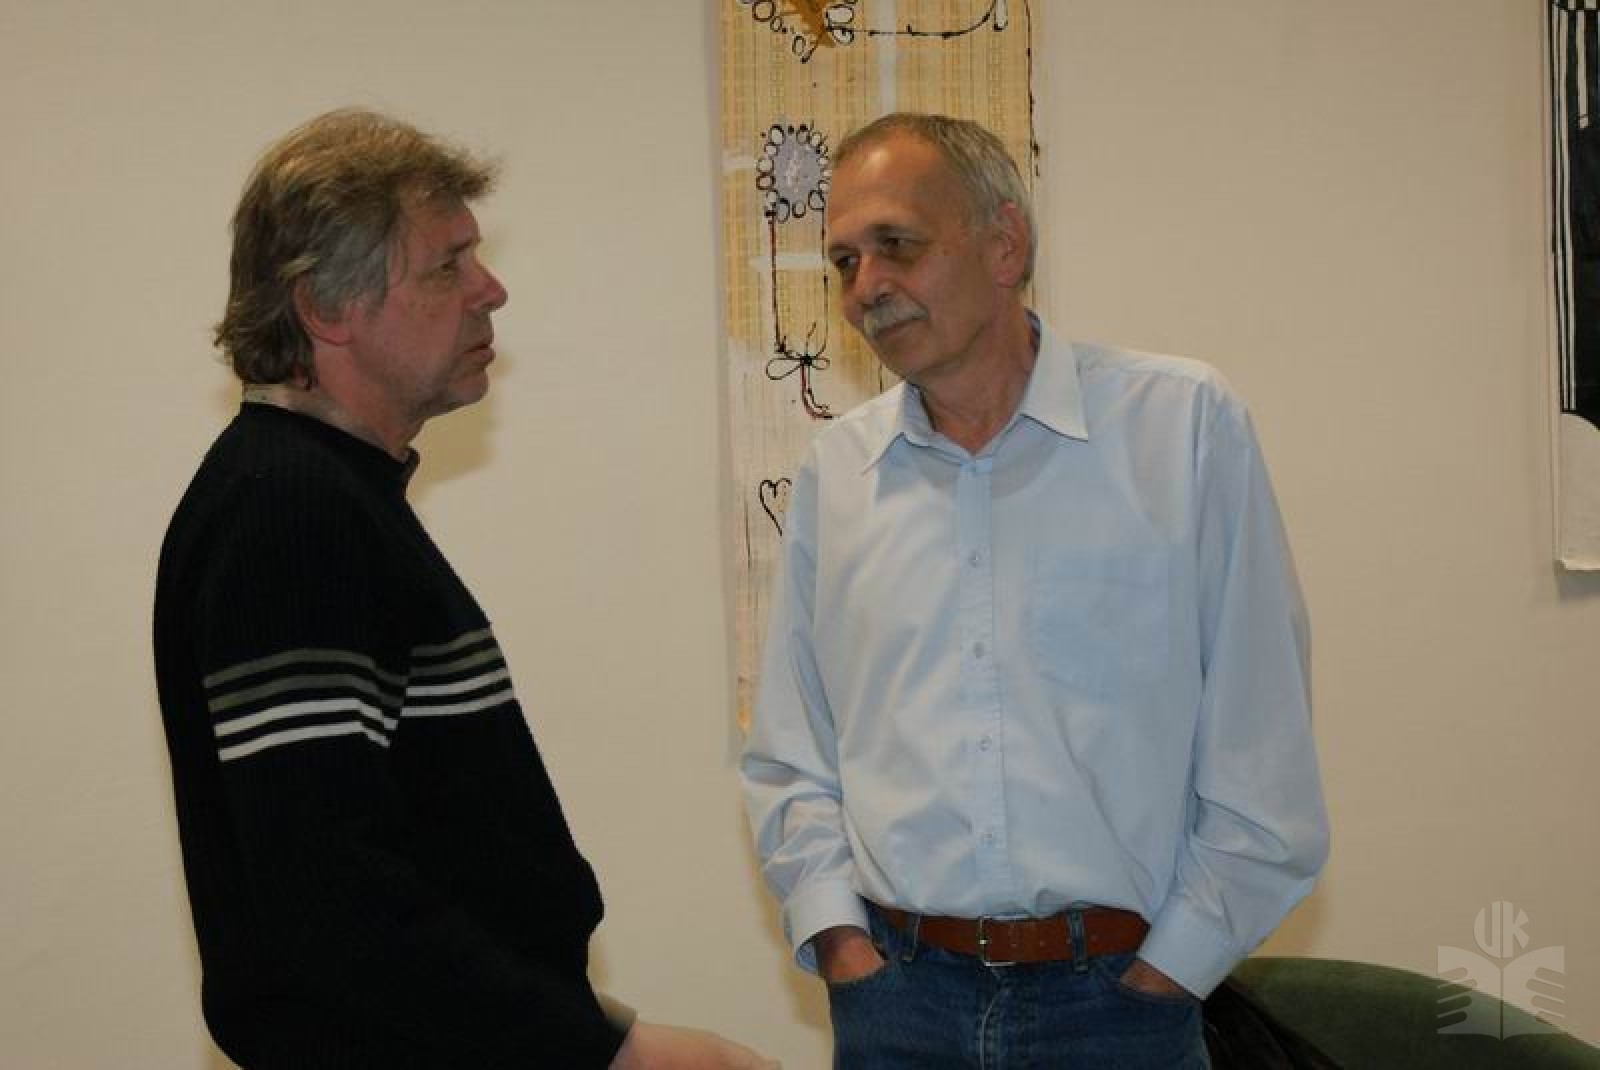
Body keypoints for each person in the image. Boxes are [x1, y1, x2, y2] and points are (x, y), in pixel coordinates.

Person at [154, 109, 776, 1070]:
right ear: (325, 307)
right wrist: (605, 1054)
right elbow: (332, 899)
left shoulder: (324, 495)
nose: (491, 290)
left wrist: (595, 1028)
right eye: (447, 267)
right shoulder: (289, 511)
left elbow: (428, 859)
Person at [740, 112, 1330, 1068]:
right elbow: (792, 751)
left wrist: (1170, 972)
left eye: (896, 245)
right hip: (898, 1008)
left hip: (1122, 1004)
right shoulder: (837, 473)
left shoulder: (1180, 426)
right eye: (844, 262)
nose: (866, 286)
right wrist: (843, 946)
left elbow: (1261, 743)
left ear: (1005, 243)